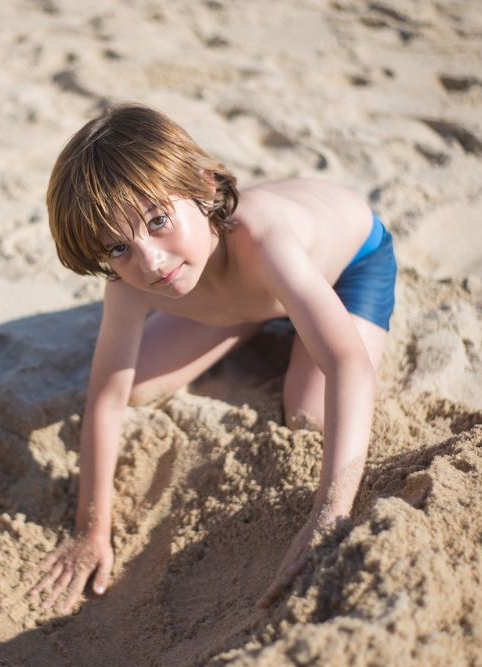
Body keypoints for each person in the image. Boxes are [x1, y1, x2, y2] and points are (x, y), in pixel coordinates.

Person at [28, 102, 396, 614]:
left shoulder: (265, 243)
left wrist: (330, 512)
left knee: (310, 414)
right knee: (137, 387)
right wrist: (93, 530)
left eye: (158, 220)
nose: (150, 262)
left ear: (203, 189)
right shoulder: (134, 280)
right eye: (117, 249)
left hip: (350, 265)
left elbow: (347, 365)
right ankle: (251, 316)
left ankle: (266, 309)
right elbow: (106, 401)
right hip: (235, 282)